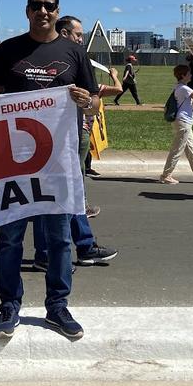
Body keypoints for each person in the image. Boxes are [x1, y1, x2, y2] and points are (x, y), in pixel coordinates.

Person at [0, 0, 99, 340]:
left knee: (59, 237)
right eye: (36, 6)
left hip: (57, 160)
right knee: (10, 237)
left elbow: (93, 102)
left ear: (57, 11)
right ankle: (9, 305)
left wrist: (84, 100)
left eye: (49, 6)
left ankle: (57, 306)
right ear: (27, 11)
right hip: (12, 160)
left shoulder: (73, 52)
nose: (43, 11)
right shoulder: (9, 49)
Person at [32, 15, 117, 268]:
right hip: (47, 137)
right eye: (78, 35)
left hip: (73, 133)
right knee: (50, 193)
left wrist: (87, 102)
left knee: (72, 191)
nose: (82, 39)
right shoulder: (50, 58)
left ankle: (82, 246)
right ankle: (51, 251)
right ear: (65, 33)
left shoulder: (77, 58)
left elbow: (94, 102)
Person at [160, 64, 193, 185]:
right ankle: (166, 175)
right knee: (177, 149)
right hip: (183, 123)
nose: (191, 75)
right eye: (188, 73)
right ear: (183, 75)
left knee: (191, 149)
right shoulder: (183, 88)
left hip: (185, 123)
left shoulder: (181, 87)